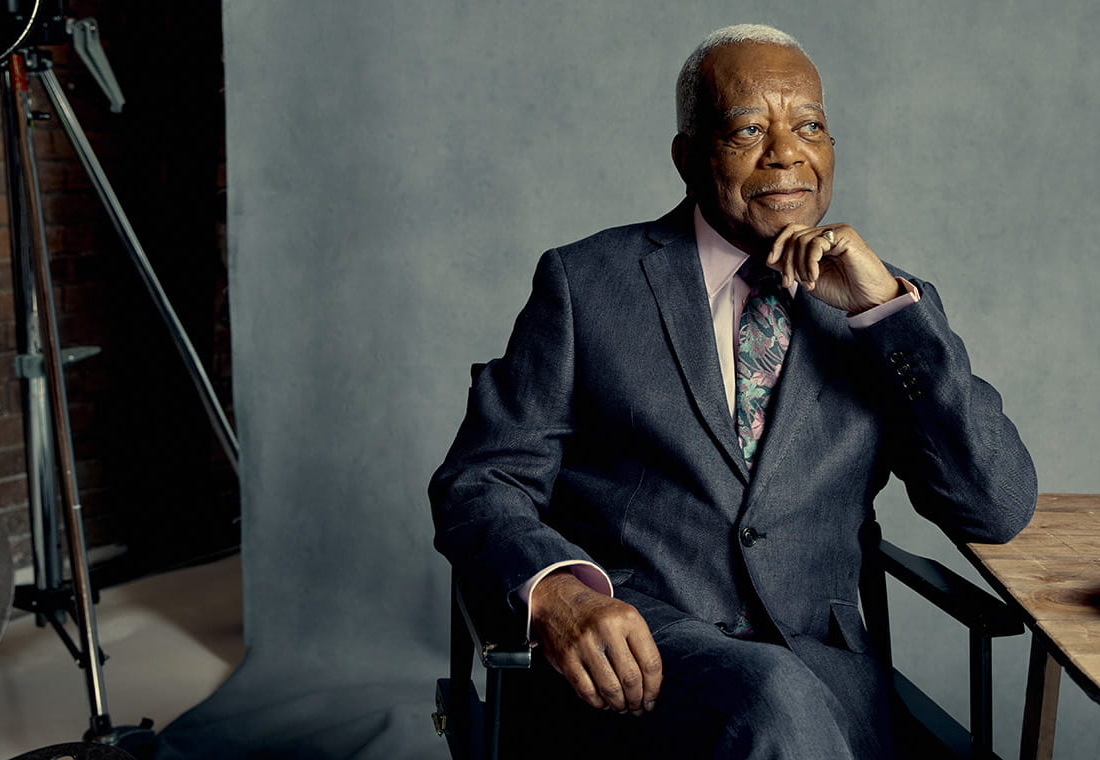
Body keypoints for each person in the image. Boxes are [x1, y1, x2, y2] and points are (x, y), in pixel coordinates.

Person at [429, 23, 1036, 759]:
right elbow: (481, 478)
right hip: (639, 666)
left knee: (784, 696)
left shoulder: (884, 312)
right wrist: (558, 591)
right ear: (689, 157)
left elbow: (994, 505)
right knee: (768, 695)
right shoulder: (586, 284)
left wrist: (888, 319)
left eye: (809, 125)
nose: (787, 152)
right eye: (749, 129)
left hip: (826, 681)